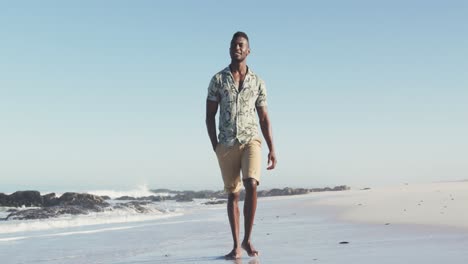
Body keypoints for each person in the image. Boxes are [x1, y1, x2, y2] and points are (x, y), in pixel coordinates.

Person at [205, 31, 277, 260]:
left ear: (248, 51)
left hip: (250, 140)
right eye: (233, 45)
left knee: (252, 183)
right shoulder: (217, 80)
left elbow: (264, 118)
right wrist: (215, 145)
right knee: (233, 194)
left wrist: (272, 147)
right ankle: (237, 245)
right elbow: (209, 116)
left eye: (241, 45)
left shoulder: (258, 81)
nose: (236, 48)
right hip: (225, 143)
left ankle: (248, 238)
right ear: (229, 50)